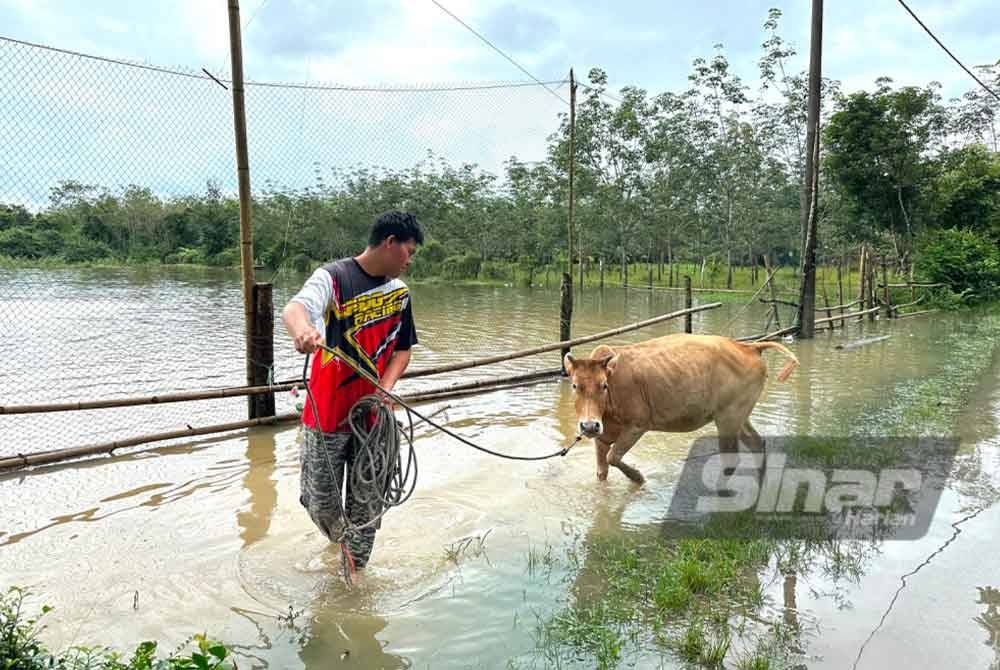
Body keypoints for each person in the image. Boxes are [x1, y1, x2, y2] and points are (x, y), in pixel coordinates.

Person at [283, 210, 423, 569]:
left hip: (373, 417)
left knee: (368, 505)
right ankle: (341, 541)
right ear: (389, 243)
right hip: (327, 413)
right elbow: (295, 308)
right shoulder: (333, 278)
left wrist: (386, 389)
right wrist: (303, 331)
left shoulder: (400, 294)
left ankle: (353, 574)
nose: (410, 261)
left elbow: (403, 350)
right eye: (408, 251)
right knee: (320, 503)